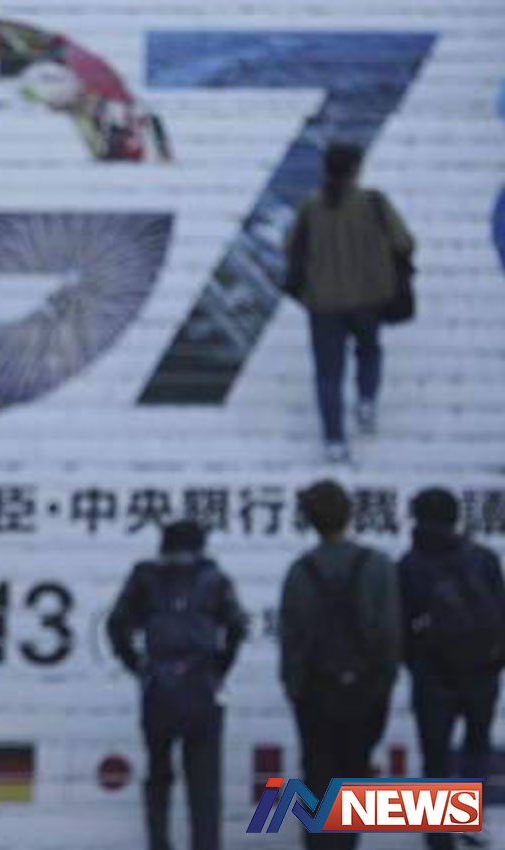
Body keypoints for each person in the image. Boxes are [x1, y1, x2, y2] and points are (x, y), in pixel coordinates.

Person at [107, 519, 248, 850]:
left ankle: (159, 842)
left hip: (158, 685)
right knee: (204, 781)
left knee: (158, 774)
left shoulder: (145, 577)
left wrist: (137, 665)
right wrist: (220, 668)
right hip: (202, 685)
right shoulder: (213, 578)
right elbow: (237, 627)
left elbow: (116, 625)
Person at [280, 479, 401, 850]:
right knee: (352, 774)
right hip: (364, 688)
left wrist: (296, 688)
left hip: (316, 689)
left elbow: (290, 639)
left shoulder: (300, 571)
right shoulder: (377, 565)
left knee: (316, 774)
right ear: (349, 515)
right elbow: (390, 634)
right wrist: (383, 685)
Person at [284, 142, 415, 463]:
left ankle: (334, 440)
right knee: (369, 351)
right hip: (369, 297)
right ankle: (366, 401)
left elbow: (289, 246)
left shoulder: (311, 207)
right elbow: (404, 242)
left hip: (323, 302)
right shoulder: (374, 203)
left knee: (328, 373)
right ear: (356, 169)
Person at [399, 488, 505, 850]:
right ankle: (472, 823)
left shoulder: (409, 565)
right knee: (476, 747)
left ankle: (439, 833)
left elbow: (401, 628)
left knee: (436, 755)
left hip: (433, 676)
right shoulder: (483, 558)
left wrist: (417, 664)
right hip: (481, 672)